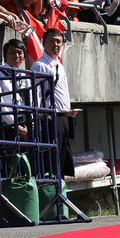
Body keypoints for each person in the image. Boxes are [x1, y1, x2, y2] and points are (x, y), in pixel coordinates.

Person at [30, 28, 75, 180]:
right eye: (51, 41)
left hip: (63, 117)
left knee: (62, 162)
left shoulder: (59, 65)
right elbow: (35, 96)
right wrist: (38, 123)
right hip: (50, 119)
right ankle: (53, 195)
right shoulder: (40, 65)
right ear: (43, 43)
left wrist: (67, 109)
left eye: (58, 41)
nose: (55, 44)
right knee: (53, 161)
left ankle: (59, 194)